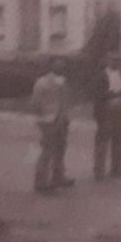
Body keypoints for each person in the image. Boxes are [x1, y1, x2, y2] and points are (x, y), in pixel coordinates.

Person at [30, 58, 74, 193]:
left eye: (63, 65)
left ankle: (58, 176)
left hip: (62, 120)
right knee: (47, 150)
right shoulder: (42, 81)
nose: (61, 67)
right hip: (48, 120)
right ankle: (41, 181)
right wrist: (44, 116)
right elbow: (35, 102)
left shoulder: (64, 81)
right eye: (58, 65)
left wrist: (65, 117)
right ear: (51, 66)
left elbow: (66, 100)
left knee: (61, 149)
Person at [91, 51, 121, 180]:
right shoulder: (101, 76)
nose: (117, 63)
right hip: (106, 111)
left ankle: (117, 168)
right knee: (103, 141)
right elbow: (97, 95)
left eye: (119, 61)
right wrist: (114, 94)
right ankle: (99, 171)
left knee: (120, 140)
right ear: (108, 61)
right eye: (114, 60)